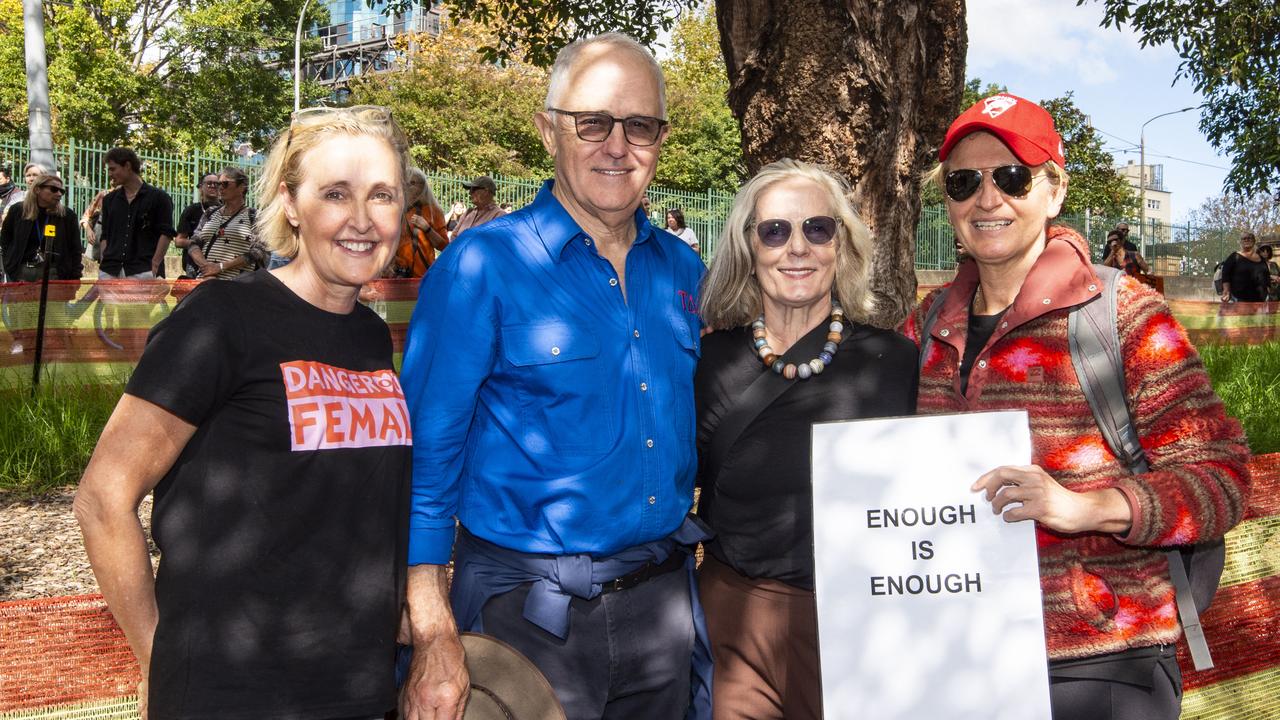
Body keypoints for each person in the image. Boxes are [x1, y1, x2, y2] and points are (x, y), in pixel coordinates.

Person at [903, 93, 1250, 720]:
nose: (987, 199)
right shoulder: (924, 328)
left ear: (1054, 192)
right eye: (963, 182)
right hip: (957, 656)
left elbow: (1222, 480)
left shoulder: (1123, 314)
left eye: (1012, 177)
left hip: (1099, 664)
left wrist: (1086, 506)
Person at [400, 32, 709, 720]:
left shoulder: (685, 273)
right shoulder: (481, 266)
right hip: (525, 616)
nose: (617, 146)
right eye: (593, 122)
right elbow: (426, 454)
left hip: (662, 608)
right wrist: (429, 625)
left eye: (641, 126)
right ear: (549, 129)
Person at [74, 105, 414, 720]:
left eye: (382, 195)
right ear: (290, 203)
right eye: (335, 193)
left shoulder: (368, 334)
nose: (362, 220)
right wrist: (160, 656)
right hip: (230, 691)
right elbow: (103, 497)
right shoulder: (220, 318)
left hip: (356, 686)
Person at [695, 159, 917, 720]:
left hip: (864, 628)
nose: (797, 247)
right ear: (749, 248)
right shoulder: (706, 363)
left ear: (841, 245)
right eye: (775, 230)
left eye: (817, 228)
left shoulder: (896, 362)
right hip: (737, 631)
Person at [97, 148, 175, 279]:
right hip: (110, 271)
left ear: (127, 166)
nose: (110, 173)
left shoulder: (159, 198)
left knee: (139, 301)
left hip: (143, 270)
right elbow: (105, 235)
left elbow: (166, 233)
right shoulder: (109, 200)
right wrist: (104, 261)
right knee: (109, 301)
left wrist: (154, 264)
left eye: (113, 169)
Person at [0, 173, 82, 282]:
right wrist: (10, 266)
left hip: (54, 273)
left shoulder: (67, 215)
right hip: (21, 272)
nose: (59, 194)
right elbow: (5, 240)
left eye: (61, 191)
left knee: (52, 300)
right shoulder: (18, 210)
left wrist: (75, 276)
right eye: (54, 189)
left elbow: (75, 249)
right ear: (37, 189)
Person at [187, 166, 258, 279]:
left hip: (236, 286)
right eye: (218, 184)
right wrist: (207, 266)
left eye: (225, 184)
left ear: (242, 187)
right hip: (205, 281)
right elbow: (193, 243)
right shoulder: (210, 212)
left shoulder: (254, 216)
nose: (220, 188)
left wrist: (220, 267)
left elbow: (258, 253)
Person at [391, 168, 448, 277]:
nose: (406, 187)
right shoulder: (395, 210)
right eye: (404, 183)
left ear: (422, 187)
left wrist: (427, 229)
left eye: (412, 183)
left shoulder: (433, 211)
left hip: (422, 276)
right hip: (397, 274)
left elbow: (444, 246)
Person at [174, 173, 222, 275]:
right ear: (200, 188)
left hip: (220, 264)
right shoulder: (191, 210)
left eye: (217, 184)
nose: (213, 186)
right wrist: (199, 242)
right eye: (209, 183)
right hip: (194, 266)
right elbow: (178, 241)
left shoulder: (227, 210)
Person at [449, 175, 506, 239]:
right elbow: (453, 237)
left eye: (473, 189)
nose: (470, 193)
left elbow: (496, 243)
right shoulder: (468, 213)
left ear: (486, 191)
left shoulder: (499, 215)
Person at [1220, 232, 1269, 302]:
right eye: (1244, 239)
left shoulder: (1261, 259)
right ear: (1241, 242)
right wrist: (1226, 290)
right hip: (1239, 300)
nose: (1246, 240)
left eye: (1249, 238)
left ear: (1254, 241)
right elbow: (1225, 275)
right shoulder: (1234, 257)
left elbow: (1266, 275)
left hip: (1260, 301)